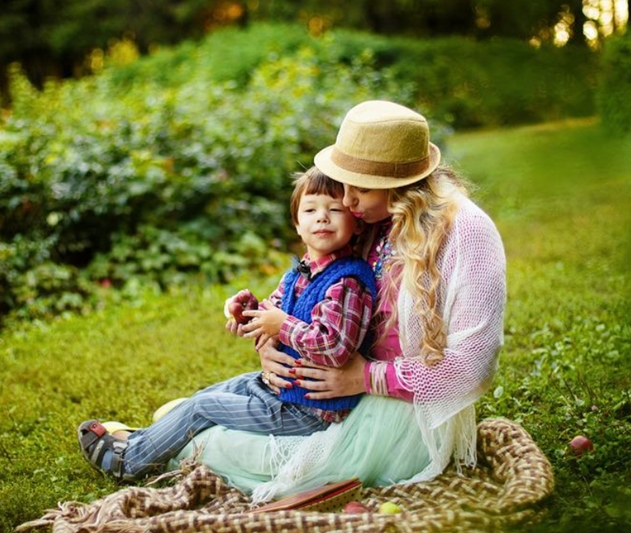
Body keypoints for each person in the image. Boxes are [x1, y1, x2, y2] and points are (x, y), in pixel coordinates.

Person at [167, 99, 507, 503]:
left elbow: (472, 368)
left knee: (207, 440)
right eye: (342, 183)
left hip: (400, 412)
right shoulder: (366, 221)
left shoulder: (466, 232)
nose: (345, 201)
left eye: (359, 188)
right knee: (186, 415)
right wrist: (269, 344)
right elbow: (314, 300)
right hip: (323, 400)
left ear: (400, 187)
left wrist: (365, 377)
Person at [77, 166, 377, 481]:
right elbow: (272, 314)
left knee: (202, 407)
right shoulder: (301, 271)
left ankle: (128, 463)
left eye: (335, 210)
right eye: (311, 209)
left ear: (355, 224)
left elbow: (335, 347)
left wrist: (282, 325)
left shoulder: (347, 281)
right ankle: (144, 441)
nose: (322, 217)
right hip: (282, 390)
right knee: (208, 393)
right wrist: (248, 311)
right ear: (297, 224)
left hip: (310, 411)